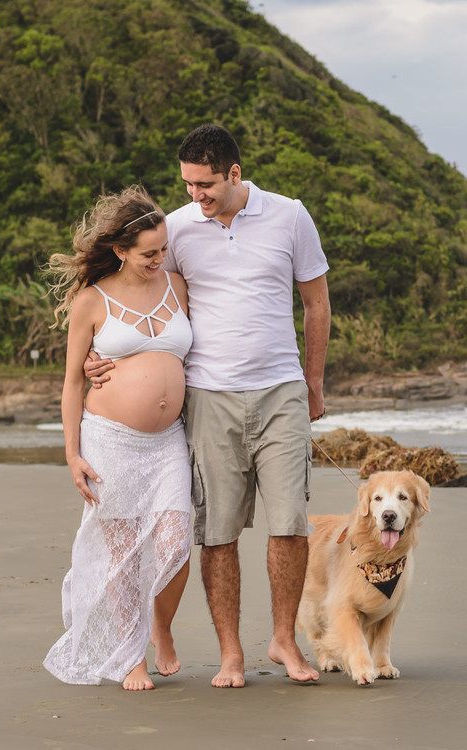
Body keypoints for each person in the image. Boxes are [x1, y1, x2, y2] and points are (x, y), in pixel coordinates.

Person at [87, 125, 330, 688]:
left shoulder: (290, 216)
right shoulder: (175, 229)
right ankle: (230, 656)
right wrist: (93, 357)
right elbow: (138, 295)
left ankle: (283, 641)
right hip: (209, 397)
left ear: (235, 174)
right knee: (217, 531)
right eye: (189, 185)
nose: (196, 195)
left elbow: (316, 303)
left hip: (281, 390)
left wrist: (313, 382)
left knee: (289, 522)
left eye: (206, 185)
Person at [42, 186, 195, 691]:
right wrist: (72, 454)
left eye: (163, 249)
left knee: (176, 538)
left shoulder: (178, 285)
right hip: (109, 440)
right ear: (121, 251)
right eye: (149, 252)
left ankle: (161, 627)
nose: (159, 259)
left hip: (167, 439)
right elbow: (71, 382)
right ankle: (132, 657)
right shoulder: (92, 300)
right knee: (124, 548)